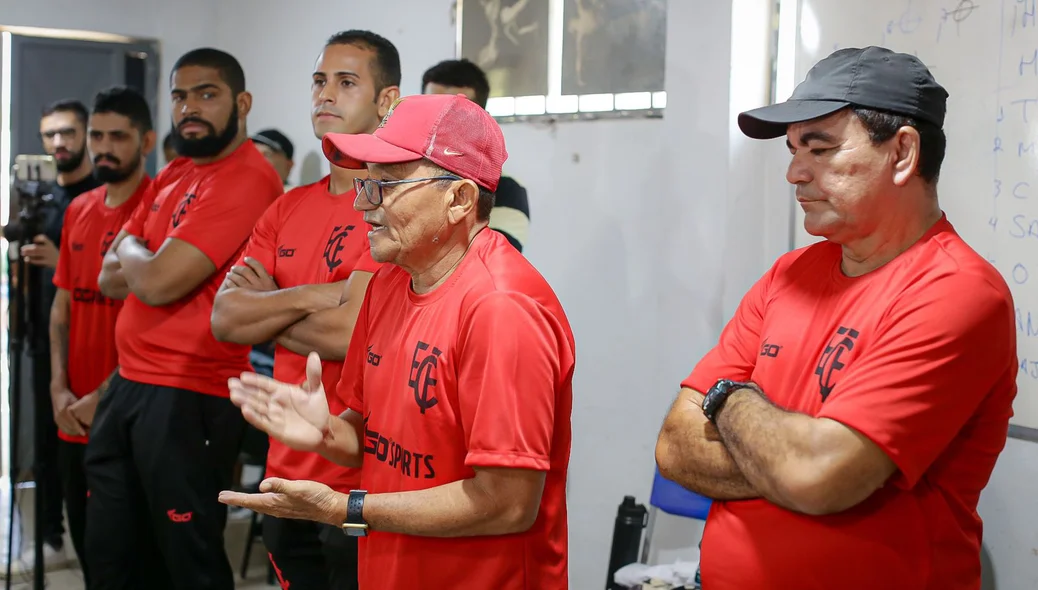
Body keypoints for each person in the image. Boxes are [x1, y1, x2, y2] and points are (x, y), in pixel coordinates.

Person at [654, 46, 1017, 590]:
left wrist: (729, 396)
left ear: (902, 153)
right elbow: (674, 448)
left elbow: (816, 477)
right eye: (794, 150)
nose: (795, 173)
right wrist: (792, 457)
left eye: (819, 149)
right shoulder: (787, 275)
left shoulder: (957, 292)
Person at [221, 93, 575, 590]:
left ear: (459, 199)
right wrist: (326, 432)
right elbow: (374, 439)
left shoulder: (501, 309)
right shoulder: (389, 282)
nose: (364, 204)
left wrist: (347, 508)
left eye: (387, 184)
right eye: (365, 183)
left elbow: (507, 503)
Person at [210, 29, 401, 590]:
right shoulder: (287, 207)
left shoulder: (393, 205)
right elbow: (224, 320)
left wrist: (266, 307)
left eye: (346, 82)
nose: (326, 95)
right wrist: (321, 293)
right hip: (285, 471)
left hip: (361, 477)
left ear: (386, 100)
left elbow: (349, 332)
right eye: (320, 81)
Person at [87, 48, 282, 590]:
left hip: (187, 393)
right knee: (112, 555)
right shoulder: (176, 170)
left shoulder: (246, 179)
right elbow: (109, 277)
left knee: (185, 563)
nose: (189, 107)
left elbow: (153, 281)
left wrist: (131, 245)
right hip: (129, 383)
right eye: (179, 95)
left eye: (206, 94)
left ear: (241, 102)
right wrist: (137, 251)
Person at [49, 86, 156, 587]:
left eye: (119, 136)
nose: (104, 146)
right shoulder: (79, 208)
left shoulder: (157, 210)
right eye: (97, 135)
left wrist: (104, 395)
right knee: (87, 540)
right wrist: (56, 386)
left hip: (126, 406)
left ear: (146, 141)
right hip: (71, 408)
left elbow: (157, 329)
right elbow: (63, 305)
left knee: (126, 552)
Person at [14, 98, 103, 566]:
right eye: (50, 135)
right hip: (41, 333)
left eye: (68, 132)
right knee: (46, 439)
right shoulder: (39, 201)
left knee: (90, 442)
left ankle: (95, 539)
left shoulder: (103, 195)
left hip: (95, 338)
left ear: (86, 134)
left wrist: (61, 264)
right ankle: (49, 536)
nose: (59, 142)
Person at [422, 58, 530, 252]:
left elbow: (491, 259)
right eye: (432, 109)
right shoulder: (398, 177)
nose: (442, 123)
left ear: (482, 119)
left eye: (457, 113)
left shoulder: (506, 189)